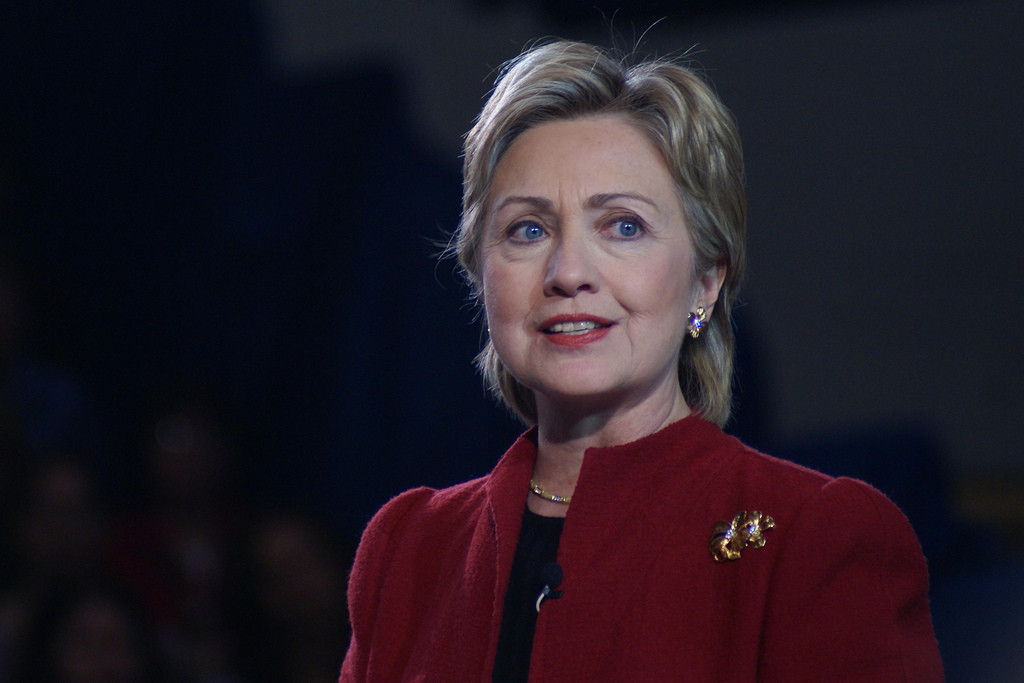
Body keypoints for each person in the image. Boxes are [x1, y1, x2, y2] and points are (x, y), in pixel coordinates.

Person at [339, 40, 943, 681]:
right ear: (479, 274)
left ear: (706, 282)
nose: (568, 272)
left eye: (622, 226)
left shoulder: (810, 535)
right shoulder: (409, 549)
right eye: (528, 230)